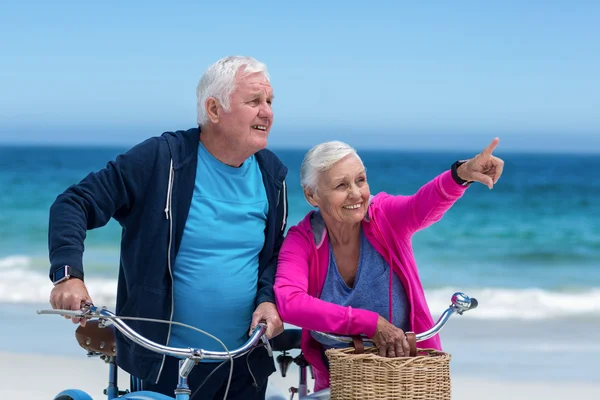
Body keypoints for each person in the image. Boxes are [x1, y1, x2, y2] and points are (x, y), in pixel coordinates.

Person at [48, 56, 288, 399]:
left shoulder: (271, 175)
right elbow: (75, 202)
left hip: (243, 364)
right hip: (165, 364)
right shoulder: (163, 160)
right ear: (214, 109)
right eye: (254, 101)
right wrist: (68, 276)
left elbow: (273, 256)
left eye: (269, 101)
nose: (267, 112)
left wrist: (269, 300)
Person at [274, 139, 504, 391]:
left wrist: (461, 175)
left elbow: (421, 206)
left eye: (360, 180)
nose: (356, 193)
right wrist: (369, 323)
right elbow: (289, 302)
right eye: (341, 185)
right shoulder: (302, 240)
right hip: (339, 384)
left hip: (408, 377)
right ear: (312, 195)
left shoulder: (384, 217)